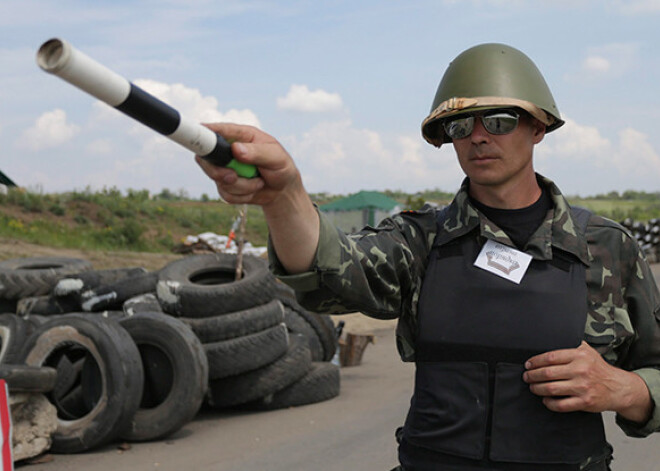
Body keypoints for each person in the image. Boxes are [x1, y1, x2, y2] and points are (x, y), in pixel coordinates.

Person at [196, 43, 660, 470]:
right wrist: (284, 198)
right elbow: (330, 268)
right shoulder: (421, 241)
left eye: (498, 121)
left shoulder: (606, 248)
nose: (478, 137)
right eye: (461, 126)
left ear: (537, 126)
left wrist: (627, 389)